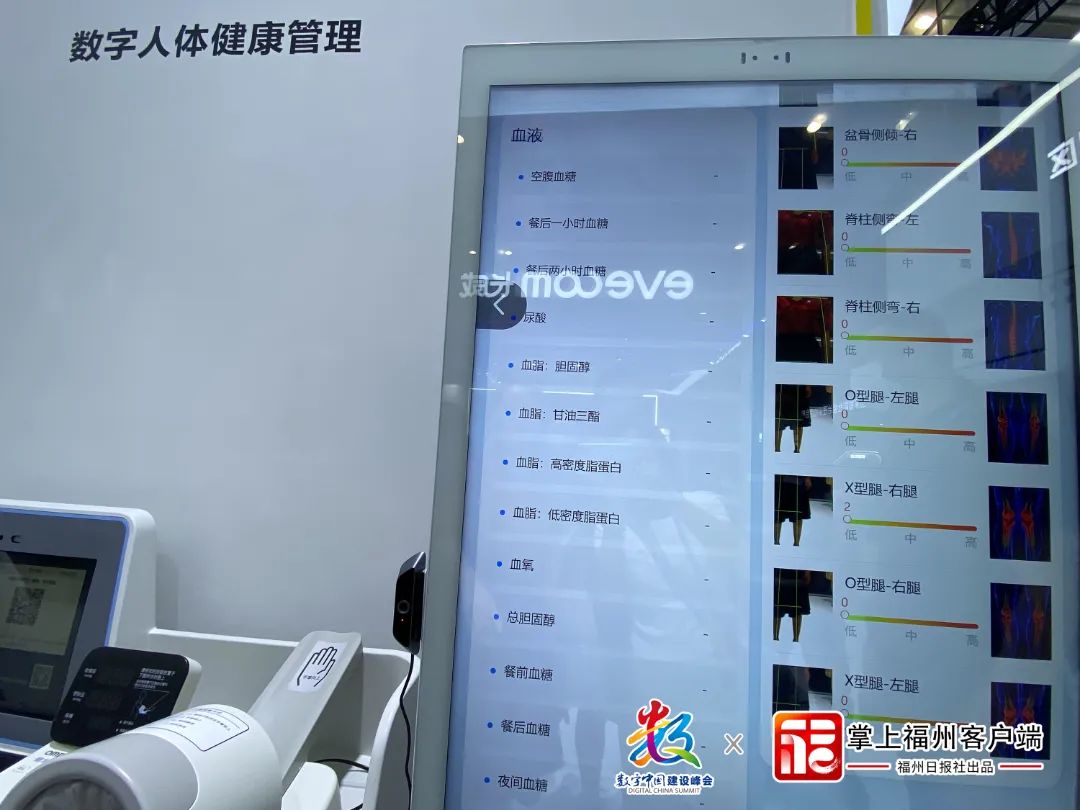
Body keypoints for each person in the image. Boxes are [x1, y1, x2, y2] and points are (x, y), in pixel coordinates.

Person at [773, 568, 811, 642]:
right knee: (777, 608)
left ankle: (796, 639)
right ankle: (775, 638)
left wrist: (808, 571)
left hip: (798, 573)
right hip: (780, 572)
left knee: (797, 608)